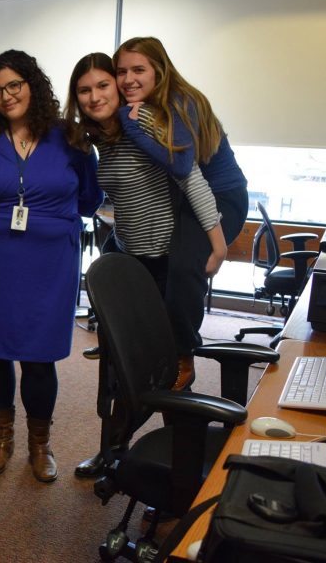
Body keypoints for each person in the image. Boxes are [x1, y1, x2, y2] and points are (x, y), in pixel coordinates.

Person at [64, 52, 222, 478]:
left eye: (102, 85)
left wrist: (218, 242)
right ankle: (111, 449)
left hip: (169, 262)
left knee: (172, 369)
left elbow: (192, 180)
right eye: (84, 89)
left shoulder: (145, 122)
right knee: (118, 368)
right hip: (132, 262)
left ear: (118, 88)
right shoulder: (95, 139)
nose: (95, 95)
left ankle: (179, 462)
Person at [0, 50, 103, 483]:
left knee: (40, 357)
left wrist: (51, 218)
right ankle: (1, 438)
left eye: (14, 86)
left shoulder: (70, 137)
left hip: (52, 262)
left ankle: (39, 445)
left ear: (32, 85)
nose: (6, 96)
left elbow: (91, 198)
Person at [114, 37, 249, 389]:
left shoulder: (180, 101)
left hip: (222, 195)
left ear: (160, 70)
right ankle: (126, 342)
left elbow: (181, 162)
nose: (128, 78)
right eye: (122, 71)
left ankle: (183, 351)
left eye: (138, 69)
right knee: (116, 252)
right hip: (184, 198)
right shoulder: (145, 105)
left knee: (185, 265)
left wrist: (130, 126)